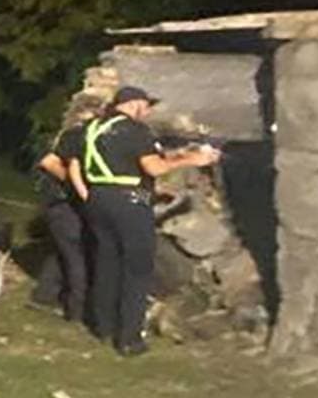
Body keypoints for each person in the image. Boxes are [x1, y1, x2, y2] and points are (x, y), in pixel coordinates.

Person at [68, 85, 220, 357]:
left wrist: (87, 194)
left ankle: (102, 327)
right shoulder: (135, 130)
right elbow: (154, 167)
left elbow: (79, 165)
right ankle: (129, 338)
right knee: (137, 269)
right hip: (130, 202)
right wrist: (192, 160)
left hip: (99, 198)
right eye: (146, 105)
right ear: (135, 104)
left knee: (107, 262)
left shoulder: (93, 128)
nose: (148, 111)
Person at [32, 100, 100, 326]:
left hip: (63, 204)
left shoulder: (80, 135)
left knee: (64, 251)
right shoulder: (77, 135)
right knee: (77, 255)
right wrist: (78, 187)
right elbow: (49, 162)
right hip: (63, 204)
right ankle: (76, 311)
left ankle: (43, 296)